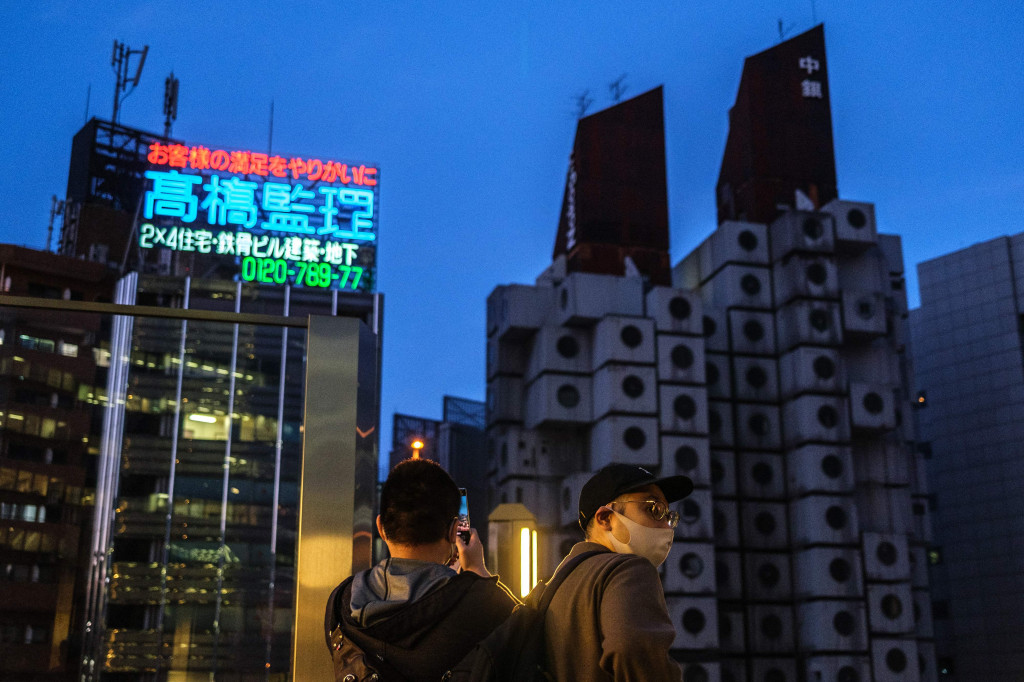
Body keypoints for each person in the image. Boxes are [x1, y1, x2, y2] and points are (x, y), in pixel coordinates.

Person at [325, 458, 516, 681]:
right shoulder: (485, 604)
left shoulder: (340, 603)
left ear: (381, 528)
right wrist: (476, 572)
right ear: (455, 530)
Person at [543, 463, 693, 682]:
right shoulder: (630, 569)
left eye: (669, 516)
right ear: (605, 518)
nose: (667, 528)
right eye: (654, 509)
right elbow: (632, 647)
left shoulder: (555, 586)